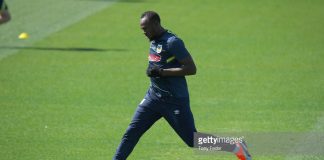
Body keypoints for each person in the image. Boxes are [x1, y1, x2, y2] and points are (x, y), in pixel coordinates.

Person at [113, 11, 252, 160]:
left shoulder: (172, 42)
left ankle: (236, 146)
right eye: (142, 29)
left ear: (156, 24)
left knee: (193, 140)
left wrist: (161, 72)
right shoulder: (153, 39)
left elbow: (191, 69)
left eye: (146, 28)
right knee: (132, 132)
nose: (144, 32)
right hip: (153, 98)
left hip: (174, 101)